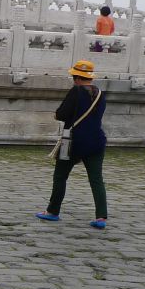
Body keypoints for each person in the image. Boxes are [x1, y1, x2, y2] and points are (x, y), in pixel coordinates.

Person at [36, 59, 107, 229]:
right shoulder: (100, 94)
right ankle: (101, 217)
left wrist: (57, 115)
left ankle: (53, 211)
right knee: (96, 179)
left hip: (73, 142)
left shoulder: (76, 91)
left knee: (60, 176)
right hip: (96, 141)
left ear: (77, 78)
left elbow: (62, 114)